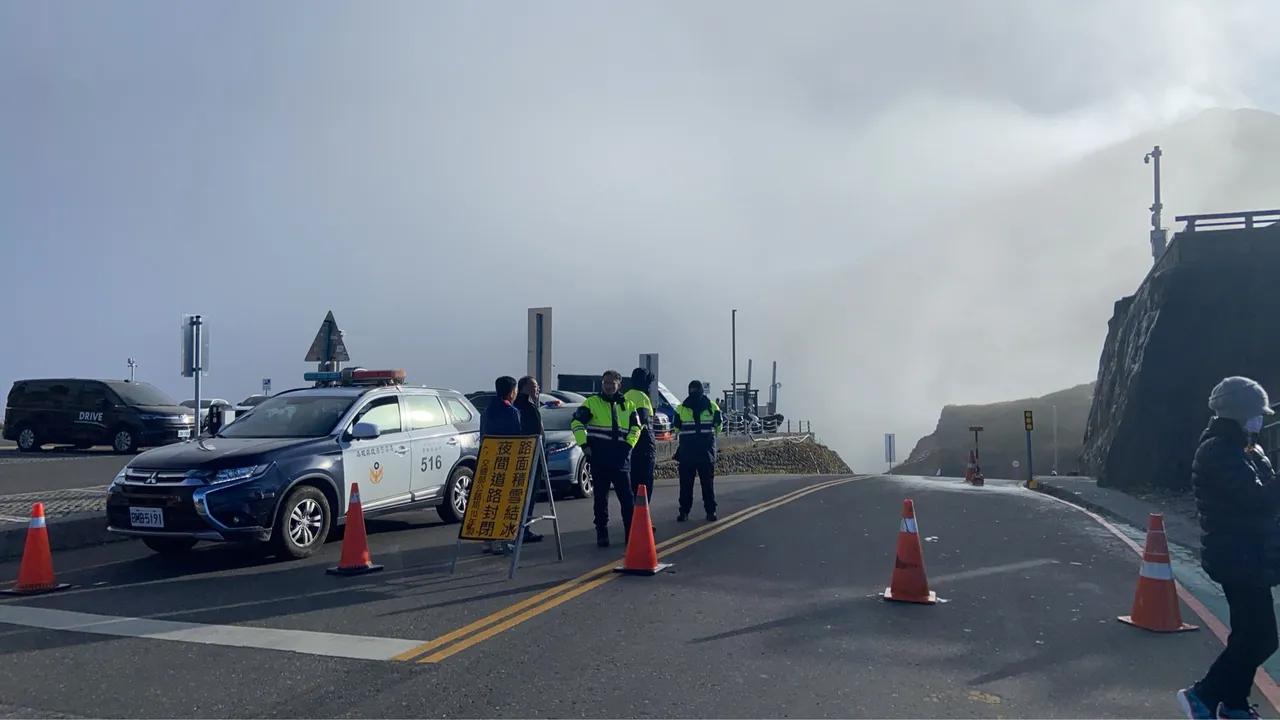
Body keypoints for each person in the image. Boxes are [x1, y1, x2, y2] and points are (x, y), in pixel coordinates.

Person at [1178, 376, 1280, 720]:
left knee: (1249, 634)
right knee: (1262, 637)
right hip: (1238, 555)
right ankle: (1203, 694)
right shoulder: (1219, 449)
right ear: (1240, 413)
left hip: (1250, 553)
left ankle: (1234, 704)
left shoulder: (1244, 446)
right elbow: (1257, 499)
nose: (1261, 418)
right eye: (1256, 413)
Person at [570, 369, 641, 547]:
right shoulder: (592, 403)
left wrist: (629, 445)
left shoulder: (628, 404)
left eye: (611, 383)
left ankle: (630, 533)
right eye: (605, 383)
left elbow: (637, 427)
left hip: (621, 457)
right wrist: (584, 445)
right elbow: (576, 423)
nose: (608, 386)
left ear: (619, 385)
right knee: (600, 499)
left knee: (627, 498)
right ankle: (602, 532)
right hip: (599, 457)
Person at [478, 375, 522, 555]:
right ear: (512, 392)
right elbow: (517, 438)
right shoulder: (511, 411)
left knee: (489, 500)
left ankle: (487, 541)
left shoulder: (487, 410)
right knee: (504, 501)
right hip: (506, 461)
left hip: (488, 459)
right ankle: (501, 540)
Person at [673, 380, 722, 523]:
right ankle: (710, 512)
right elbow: (719, 428)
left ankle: (684, 512)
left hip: (688, 452)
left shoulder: (681, 408)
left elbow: (676, 429)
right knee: (707, 485)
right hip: (705, 452)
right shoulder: (712, 407)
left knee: (686, 485)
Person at [512, 376, 545, 545]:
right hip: (530, 456)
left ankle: (522, 529)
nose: (537, 389)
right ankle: (522, 530)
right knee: (527, 495)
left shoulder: (528, 404)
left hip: (531, 456)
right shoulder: (523, 406)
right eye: (534, 386)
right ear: (524, 387)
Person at [624, 368, 658, 503]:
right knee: (644, 484)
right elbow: (641, 422)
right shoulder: (642, 398)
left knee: (631, 484)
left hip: (629, 445)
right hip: (644, 446)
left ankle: (632, 517)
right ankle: (642, 518)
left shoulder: (625, 396)